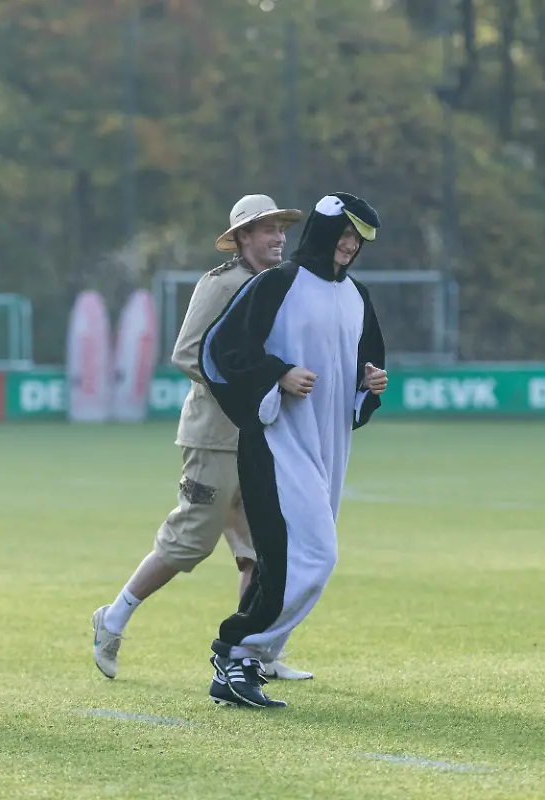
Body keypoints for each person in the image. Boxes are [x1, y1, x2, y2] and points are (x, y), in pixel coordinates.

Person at [91, 195, 313, 681]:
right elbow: (188, 354)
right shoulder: (222, 285)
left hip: (259, 438)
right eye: (268, 229)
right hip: (213, 438)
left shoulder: (277, 284)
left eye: (281, 228)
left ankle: (249, 653)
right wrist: (257, 382)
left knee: (260, 552)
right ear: (242, 238)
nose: (279, 237)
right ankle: (112, 619)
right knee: (191, 541)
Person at [198, 192, 388, 709]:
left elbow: (363, 366)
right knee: (315, 556)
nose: (349, 246)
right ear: (324, 232)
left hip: (330, 449)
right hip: (277, 443)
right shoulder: (277, 284)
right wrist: (277, 374)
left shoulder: (357, 296)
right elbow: (218, 353)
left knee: (286, 562)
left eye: (358, 240)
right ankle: (237, 649)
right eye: (343, 235)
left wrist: (369, 382)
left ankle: (243, 666)